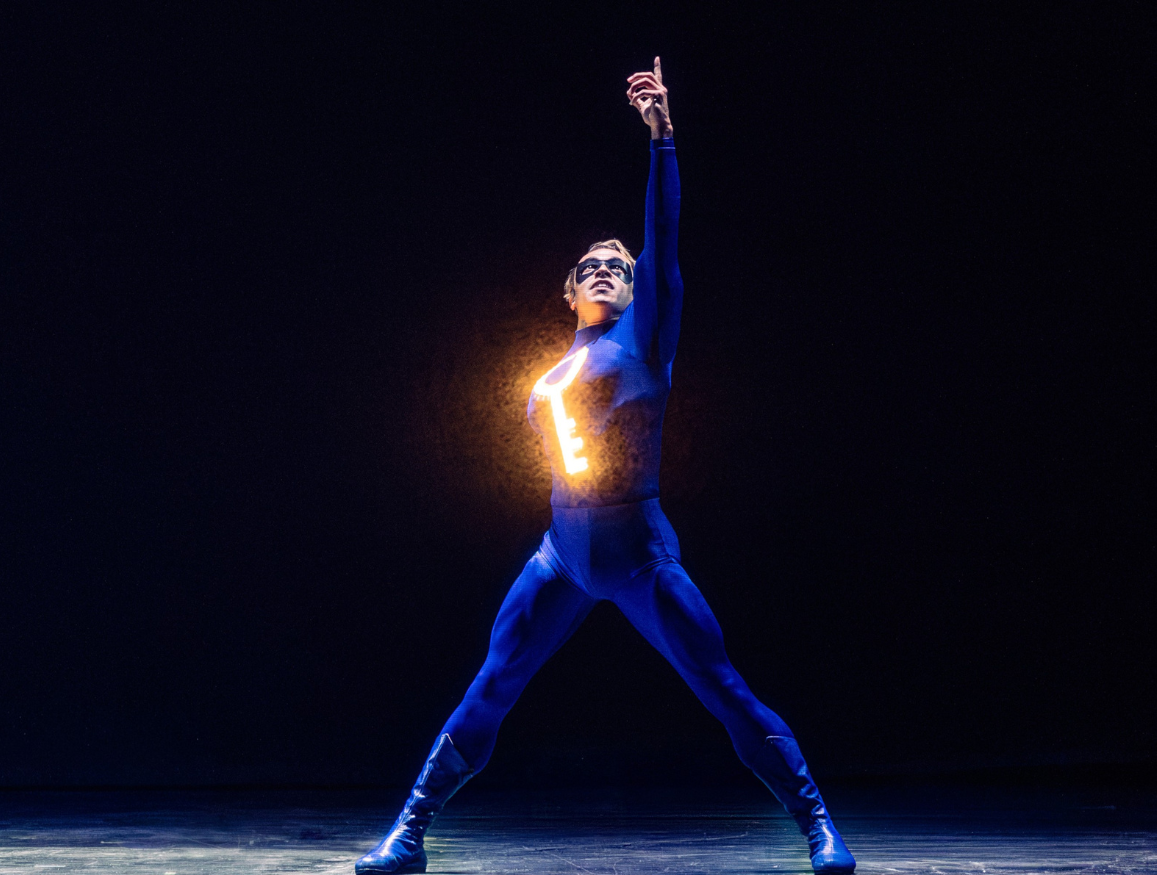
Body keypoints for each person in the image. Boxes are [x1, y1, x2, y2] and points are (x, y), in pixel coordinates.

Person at [356, 58, 856, 875]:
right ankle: (407, 834)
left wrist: (661, 140)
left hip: (636, 556)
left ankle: (820, 828)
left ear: (635, 291)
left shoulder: (644, 340)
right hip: (559, 554)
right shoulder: (549, 371)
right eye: (591, 264)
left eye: (620, 268)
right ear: (566, 290)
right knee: (493, 682)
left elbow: (662, 243)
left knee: (723, 690)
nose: (607, 269)